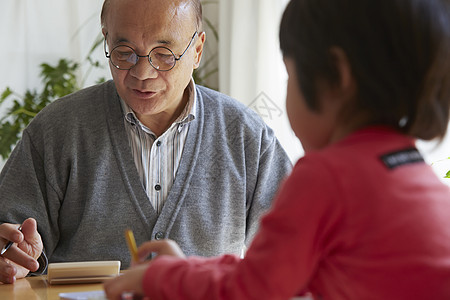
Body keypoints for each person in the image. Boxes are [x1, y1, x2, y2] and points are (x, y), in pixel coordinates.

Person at [103, 0, 450, 299]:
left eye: (290, 75)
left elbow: (254, 290)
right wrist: (187, 269)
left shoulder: (325, 176)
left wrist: (158, 278)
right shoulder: (412, 170)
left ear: (337, 76)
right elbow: (277, 275)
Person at [0, 0, 292, 284]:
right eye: (124, 52)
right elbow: (10, 238)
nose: (142, 73)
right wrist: (13, 255)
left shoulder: (246, 138)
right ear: (107, 39)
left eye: (164, 53)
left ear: (197, 50)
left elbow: (292, 253)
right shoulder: (57, 129)